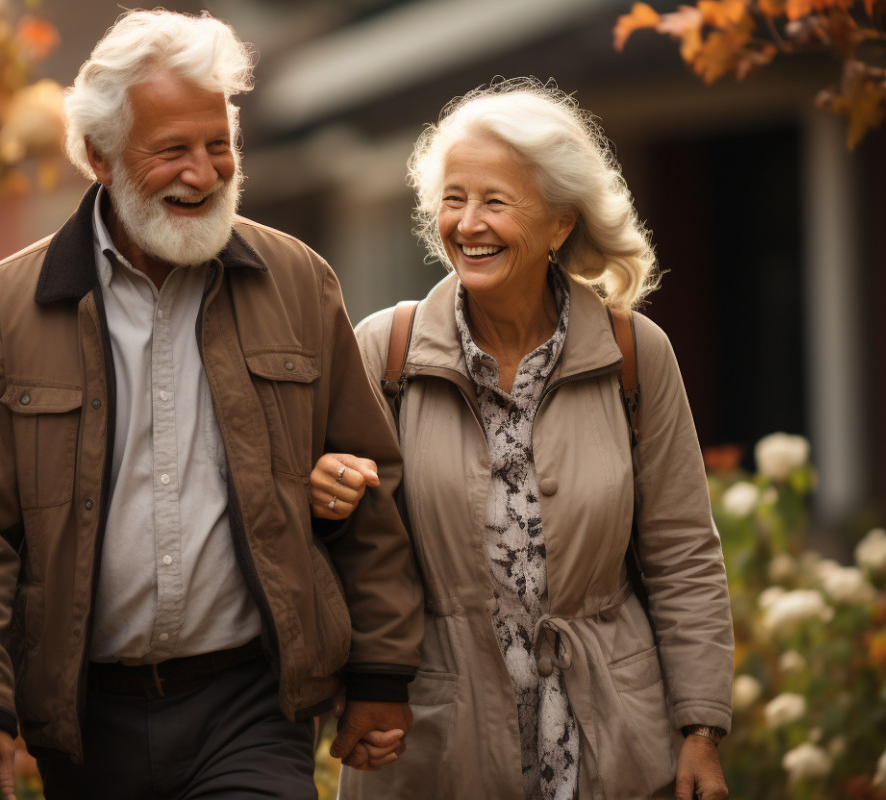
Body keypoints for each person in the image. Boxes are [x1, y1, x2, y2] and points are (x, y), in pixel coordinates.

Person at [0, 10, 423, 799]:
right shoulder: (0, 313)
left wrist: (381, 671)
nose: (204, 171)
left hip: (250, 706)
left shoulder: (297, 281)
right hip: (85, 721)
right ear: (98, 156)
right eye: (172, 151)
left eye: (218, 146)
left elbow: (370, 485)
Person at [311, 79, 734, 800]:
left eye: (495, 201)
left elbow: (682, 551)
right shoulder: (387, 350)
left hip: (615, 741)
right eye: (453, 198)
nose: (467, 223)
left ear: (561, 223)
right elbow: (343, 548)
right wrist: (323, 496)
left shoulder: (633, 352)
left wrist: (700, 728)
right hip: (438, 745)